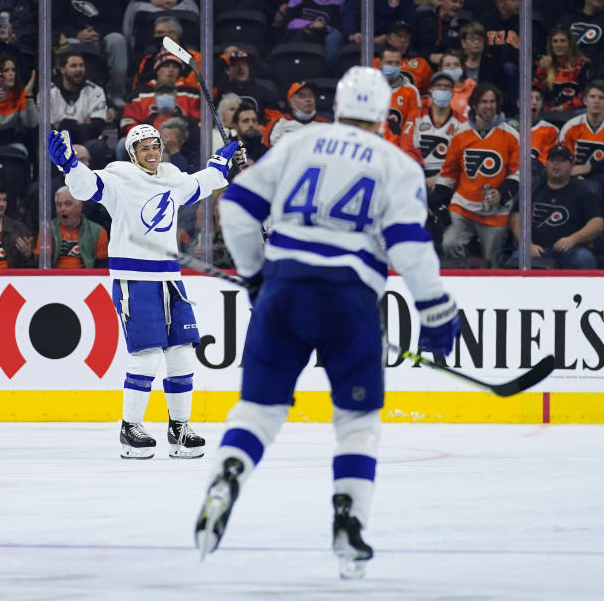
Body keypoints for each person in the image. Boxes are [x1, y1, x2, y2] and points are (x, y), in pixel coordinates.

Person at [195, 66, 460, 579]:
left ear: (337, 108)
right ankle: (348, 522)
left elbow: (238, 209)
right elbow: (408, 243)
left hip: (286, 290)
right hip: (349, 299)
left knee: (259, 411)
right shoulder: (396, 163)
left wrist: (254, 275)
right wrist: (435, 311)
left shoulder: (302, 143)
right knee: (356, 424)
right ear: (384, 116)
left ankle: (228, 474)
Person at [46, 124, 243, 460]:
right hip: (134, 278)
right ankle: (130, 427)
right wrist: (69, 166)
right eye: (144, 148)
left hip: (170, 279)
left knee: (181, 351)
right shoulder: (118, 178)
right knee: (148, 354)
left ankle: (179, 428)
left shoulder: (171, 177)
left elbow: (202, 182)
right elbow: (86, 186)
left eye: (155, 146)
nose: (151, 153)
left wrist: (223, 161)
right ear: (132, 153)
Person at [431, 82, 520, 267]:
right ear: (474, 104)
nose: (489, 106)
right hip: (463, 207)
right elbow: (448, 175)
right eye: (484, 101)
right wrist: (436, 203)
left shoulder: (511, 135)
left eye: (492, 101)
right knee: (449, 244)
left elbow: (517, 173)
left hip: (495, 210)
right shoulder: (460, 134)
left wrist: (502, 194)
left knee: (492, 262)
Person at [509, 143, 603, 269]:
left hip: (569, 251)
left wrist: (572, 239)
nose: (556, 164)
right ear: (546, 164)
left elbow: (597, 224)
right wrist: (528, 244)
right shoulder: (532, 188)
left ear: (571, 166)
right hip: (536, 249)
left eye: (561, 161)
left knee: (583, 259)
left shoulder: (583, 192)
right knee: (517, 259)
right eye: (552, 160)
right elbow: (517, 218)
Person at [558, 80, 604, 225]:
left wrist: (589, 168)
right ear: (585, 100)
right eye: (592, 97)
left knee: (602, 183)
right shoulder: (571, 127)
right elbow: (561, 160)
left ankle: (601, 227)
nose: (596, 101)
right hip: (573, 177)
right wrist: (576, 176)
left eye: (601, 97)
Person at [36, 186, 109, 268]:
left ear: (80, 206)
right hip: (54, 278)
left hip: (86, 279)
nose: (62, 209)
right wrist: (28, 255)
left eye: (68, 204)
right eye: (59, 205)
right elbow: (41, 265)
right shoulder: (48, 231)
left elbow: (102, 268)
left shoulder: (97, 232)